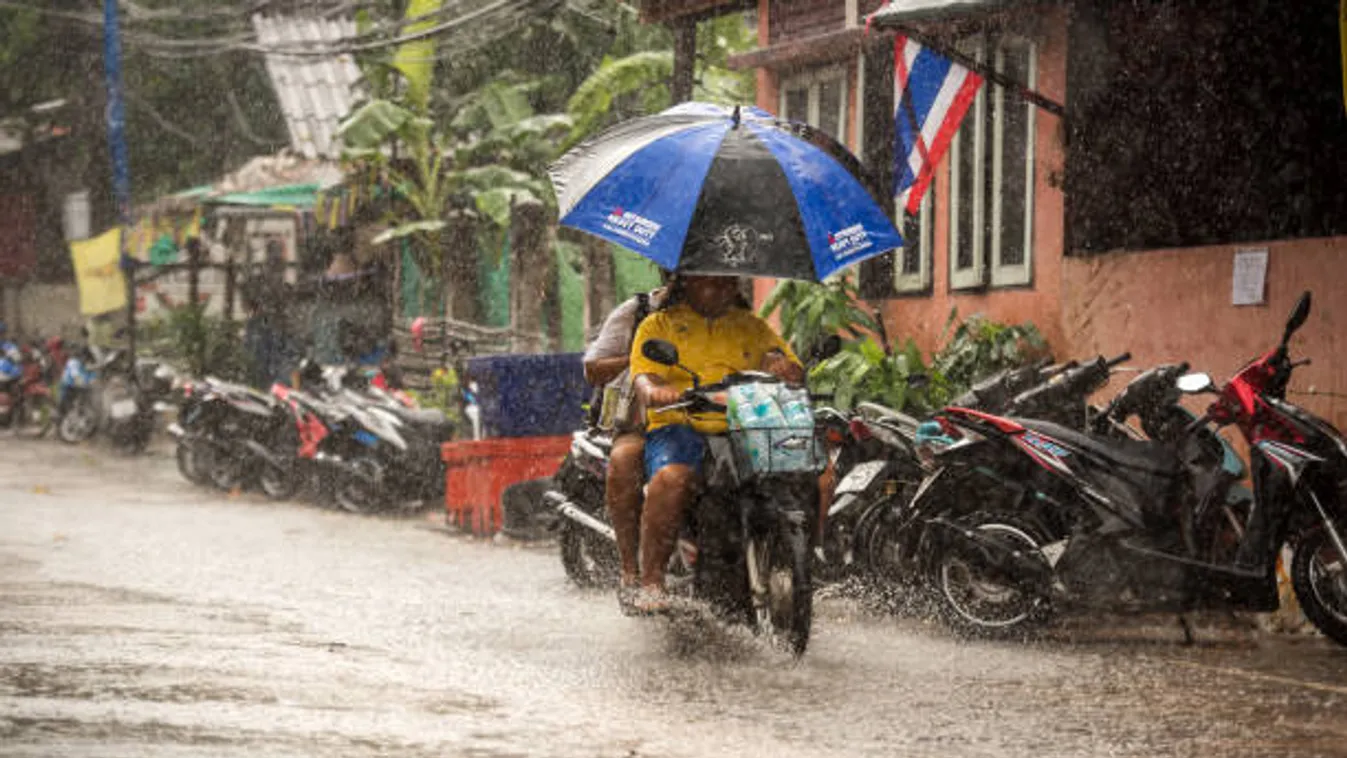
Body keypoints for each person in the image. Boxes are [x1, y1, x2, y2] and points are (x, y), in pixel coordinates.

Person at [623, 274, 803, 614]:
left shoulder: (751, 326)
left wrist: (783, 367)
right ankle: (651, 582)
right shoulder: (657, 326)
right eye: (714, 282)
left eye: (730, 282)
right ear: (687, 282)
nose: (725, 289)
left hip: (745, 427)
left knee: (807, 472)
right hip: (680, 427)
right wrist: (655, 391)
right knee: (670, 479)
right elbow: (643, 378)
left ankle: (800, 559)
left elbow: (781, 360)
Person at [581, 279, 670, 600]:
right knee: (623, 462)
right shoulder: (637, 313)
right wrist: (637, 361)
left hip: (709, 421)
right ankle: (631, 570)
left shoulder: (733, 314)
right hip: (640, 423)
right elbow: (593, 369)